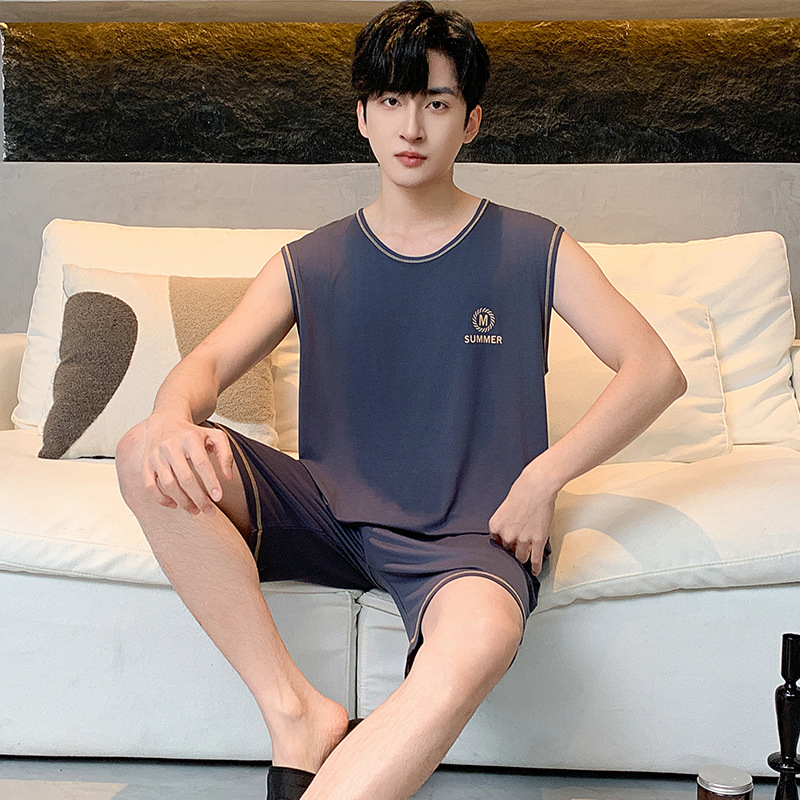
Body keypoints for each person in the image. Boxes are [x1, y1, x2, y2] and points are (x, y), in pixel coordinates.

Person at [114, 2, 687, 799]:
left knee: (480, 638)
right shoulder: (310, 258)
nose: (411, 126)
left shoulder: (534, 246)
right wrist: (172, 416)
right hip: (327, 510)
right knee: (143, 450)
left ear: (471, 122)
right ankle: (295, 714)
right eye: (391, 100)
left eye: (436, 103)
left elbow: (654, 369)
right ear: (363, 115)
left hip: (472, 533)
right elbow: (206, 362)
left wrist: (543, 477)